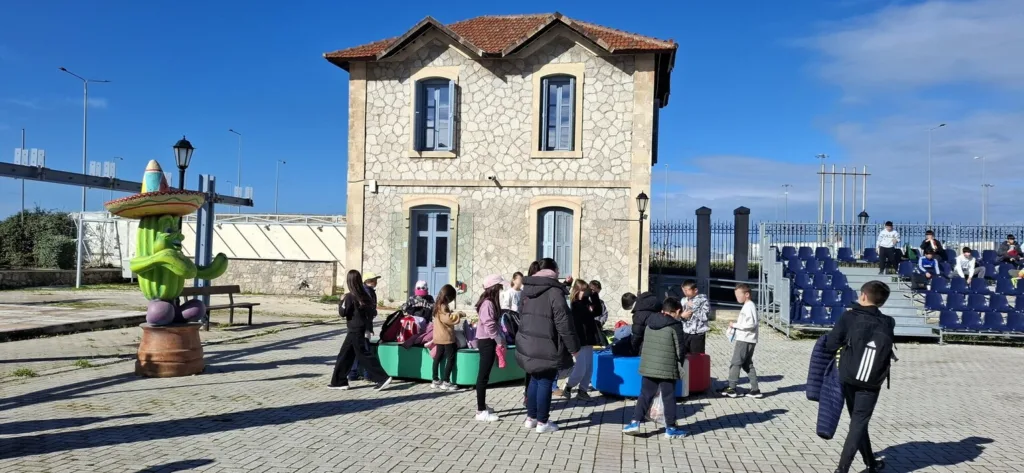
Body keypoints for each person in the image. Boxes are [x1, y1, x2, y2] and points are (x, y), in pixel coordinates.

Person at [824, 281, 895, 473]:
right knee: (859, 421)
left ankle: (842, 469)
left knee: (857, 422)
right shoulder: (889, 322)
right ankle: (870, 462)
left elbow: (830, 345)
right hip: (872, 382)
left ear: (863, 296)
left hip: (848, 376)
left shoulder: (849, 316)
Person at [516, 258, 580, 434]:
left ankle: (531, 417)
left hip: (528, 342)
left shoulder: (527, 289)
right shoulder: (553, 291)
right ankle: (543, 422)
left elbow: (521, 314)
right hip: (548, 343)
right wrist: (574, 348)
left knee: (535, 378)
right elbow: (564, 323)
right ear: (553, 271)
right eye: (558, 270)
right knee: (545, 381)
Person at [621, 297, 688, 439]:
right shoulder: (675, 325)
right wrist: (679, 365)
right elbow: (680, 349)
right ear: (676, 311)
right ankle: (670, 428)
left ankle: (634, 422)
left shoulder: (650, 322)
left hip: (649, 365)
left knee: (645, 394)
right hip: (667, 367)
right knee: (668, 397)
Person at [329, 270, 392, 391]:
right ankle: (339, 381)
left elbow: (343, 313)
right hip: (359, 327)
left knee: (363, 355)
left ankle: (382, 377)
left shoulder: (349, 296)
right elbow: (372, 312)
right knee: (345, 355)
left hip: (354, 329)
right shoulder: (363, 295)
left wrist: (341, 301)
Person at [559, 279, 602, 400]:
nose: (585, 293)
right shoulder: (574, 304)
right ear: (577, 291)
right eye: (582, 290)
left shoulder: (585, 303)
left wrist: (595, 296)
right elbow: (583, 313)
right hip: (579, 340)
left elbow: (598, 311)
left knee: (589, 367)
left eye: (585, 290)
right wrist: (587, 298)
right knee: (581, 368)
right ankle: (568, 386)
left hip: (589, 338)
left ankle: (582, 390)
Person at [473, 274, 506, 422]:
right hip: (487, 341)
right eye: (499, 287)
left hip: (487, 340)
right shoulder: (488, 304)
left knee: (484, 375)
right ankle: (480, 411)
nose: (500, 290)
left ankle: (482, 405)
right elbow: (490, 325)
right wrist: (499, 340)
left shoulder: (488, 302)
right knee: (483, 376)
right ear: (494, 288)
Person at [720, 284, 760, 398]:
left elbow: (751, 324)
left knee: (735, 363)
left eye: (738, 295)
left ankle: (732, 388)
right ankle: (755, 389)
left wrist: (735, 325)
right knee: (747, 364)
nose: (737, 297)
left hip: (745, 340)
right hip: (747, 339)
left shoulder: (749, 306)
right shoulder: (747, 306)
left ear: (747, 294)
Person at [348, 271, 380, 382]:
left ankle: (353, 373)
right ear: (368, 281)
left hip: (363, 324)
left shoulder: (368, 291)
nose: (376, 282)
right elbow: (368, 310)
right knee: (365, 349)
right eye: (374, 280)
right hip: (364, 325)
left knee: (358, 349)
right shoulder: (367, 292)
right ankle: (367, 373)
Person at [431, 284, 461, 391]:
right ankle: (446, 381)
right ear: (448, 297)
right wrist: (459, 315)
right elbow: (448, 319)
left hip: (438, 336)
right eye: (452, 298)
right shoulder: (442, 306)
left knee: (438, 357)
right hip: (446, 337)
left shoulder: (437, 305)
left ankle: (435, 379)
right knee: (450, 358)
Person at [623, 292, 662, 356]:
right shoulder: (648, 300)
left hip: (649, 343)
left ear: (629, 306)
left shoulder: (639, 314)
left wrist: (630, 349)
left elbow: (637, 334)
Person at [678, 280, 710, 354]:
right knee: (684, 356)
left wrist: (694, 307)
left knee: (696, 358)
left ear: (695, 290)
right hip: (685, 332)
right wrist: (682, 316)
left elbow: (705, 317)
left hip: (697, 334)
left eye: (687, 290)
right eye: (683, 290)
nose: (685, 292)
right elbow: (678, 315)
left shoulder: (703, 300)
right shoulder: (683, 300)